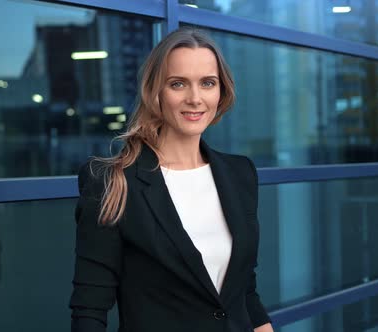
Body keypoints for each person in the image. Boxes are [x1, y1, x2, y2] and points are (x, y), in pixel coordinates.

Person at [69, 27, 274, 332]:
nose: (195, 98)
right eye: (178, 84)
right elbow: (89, 312)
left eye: (207, 83)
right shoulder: (112, 182)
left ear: (221, 91)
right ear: (156, 92)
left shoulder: (240, 173)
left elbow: (244, 291)